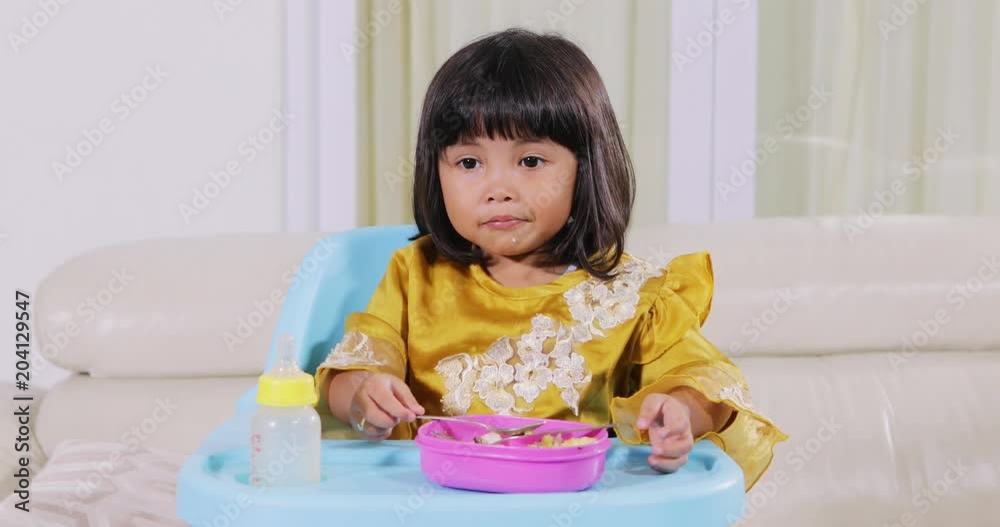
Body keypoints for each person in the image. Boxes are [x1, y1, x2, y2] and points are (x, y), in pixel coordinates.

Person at [316, 28, 787, 490]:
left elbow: (706, 381)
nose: (498, 189)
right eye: (469, 163)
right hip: (440, 504)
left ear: (586, 168)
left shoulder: (633, 293)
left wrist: (680, 410)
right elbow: (352, 369)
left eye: (530, 161)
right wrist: (363, 395)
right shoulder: (415, 274)